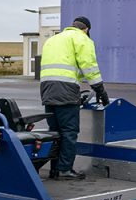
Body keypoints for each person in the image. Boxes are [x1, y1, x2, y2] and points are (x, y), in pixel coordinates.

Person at [39, 16, 109, 180]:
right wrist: (100, 90)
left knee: (55, 132)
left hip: (47, 89)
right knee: (69, 132)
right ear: (86, 29)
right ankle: (65, 169)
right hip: (66, 90)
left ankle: (54, 169)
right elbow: (89, 67)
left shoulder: (53, 39)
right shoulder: (81, 39)